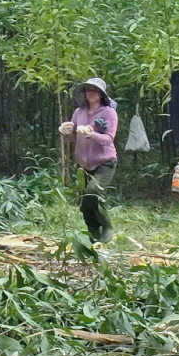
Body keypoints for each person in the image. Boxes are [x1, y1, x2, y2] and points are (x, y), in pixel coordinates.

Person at [60, 77, 119, 243]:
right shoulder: (79, 112)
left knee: (93, 192)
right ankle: (94, 234)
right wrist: (66, 132)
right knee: (84, 203)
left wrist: (91, 134)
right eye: (88, 90)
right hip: (83, 164)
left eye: (94, 90)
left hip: (105, 162)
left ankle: (106, 227)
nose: (90, 93)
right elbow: (71, 139)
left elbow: (108, 139)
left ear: (101, 94)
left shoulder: (109, 113)